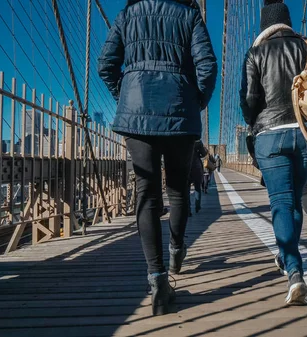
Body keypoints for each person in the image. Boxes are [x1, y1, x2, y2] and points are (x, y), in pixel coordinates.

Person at [98, 0, 217, 316]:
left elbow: (105, 65)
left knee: (146, 194)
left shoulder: (126, 15)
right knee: (178, 192)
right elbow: (207, 65)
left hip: (136, 114)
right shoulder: (190, 16)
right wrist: (197, 101)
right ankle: (177, 250)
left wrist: (125, 97)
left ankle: (158, 281)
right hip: (179, 113)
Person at [240, 0, 307, 305]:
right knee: (294, 202)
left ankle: (294, 271)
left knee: (281, 203)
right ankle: (287, 258)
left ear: (264, 27)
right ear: (287, 22)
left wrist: (254, 120)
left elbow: (249, 101)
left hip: (270, 136)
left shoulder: (255, 53)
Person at [189, 140, 208, 216]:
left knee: (186, 190)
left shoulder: (181, 138)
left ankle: (188, 209)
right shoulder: (197, 141)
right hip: (197, 168)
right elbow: (203, 154)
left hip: (186, 167)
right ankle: (197, 206)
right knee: (197, 188)